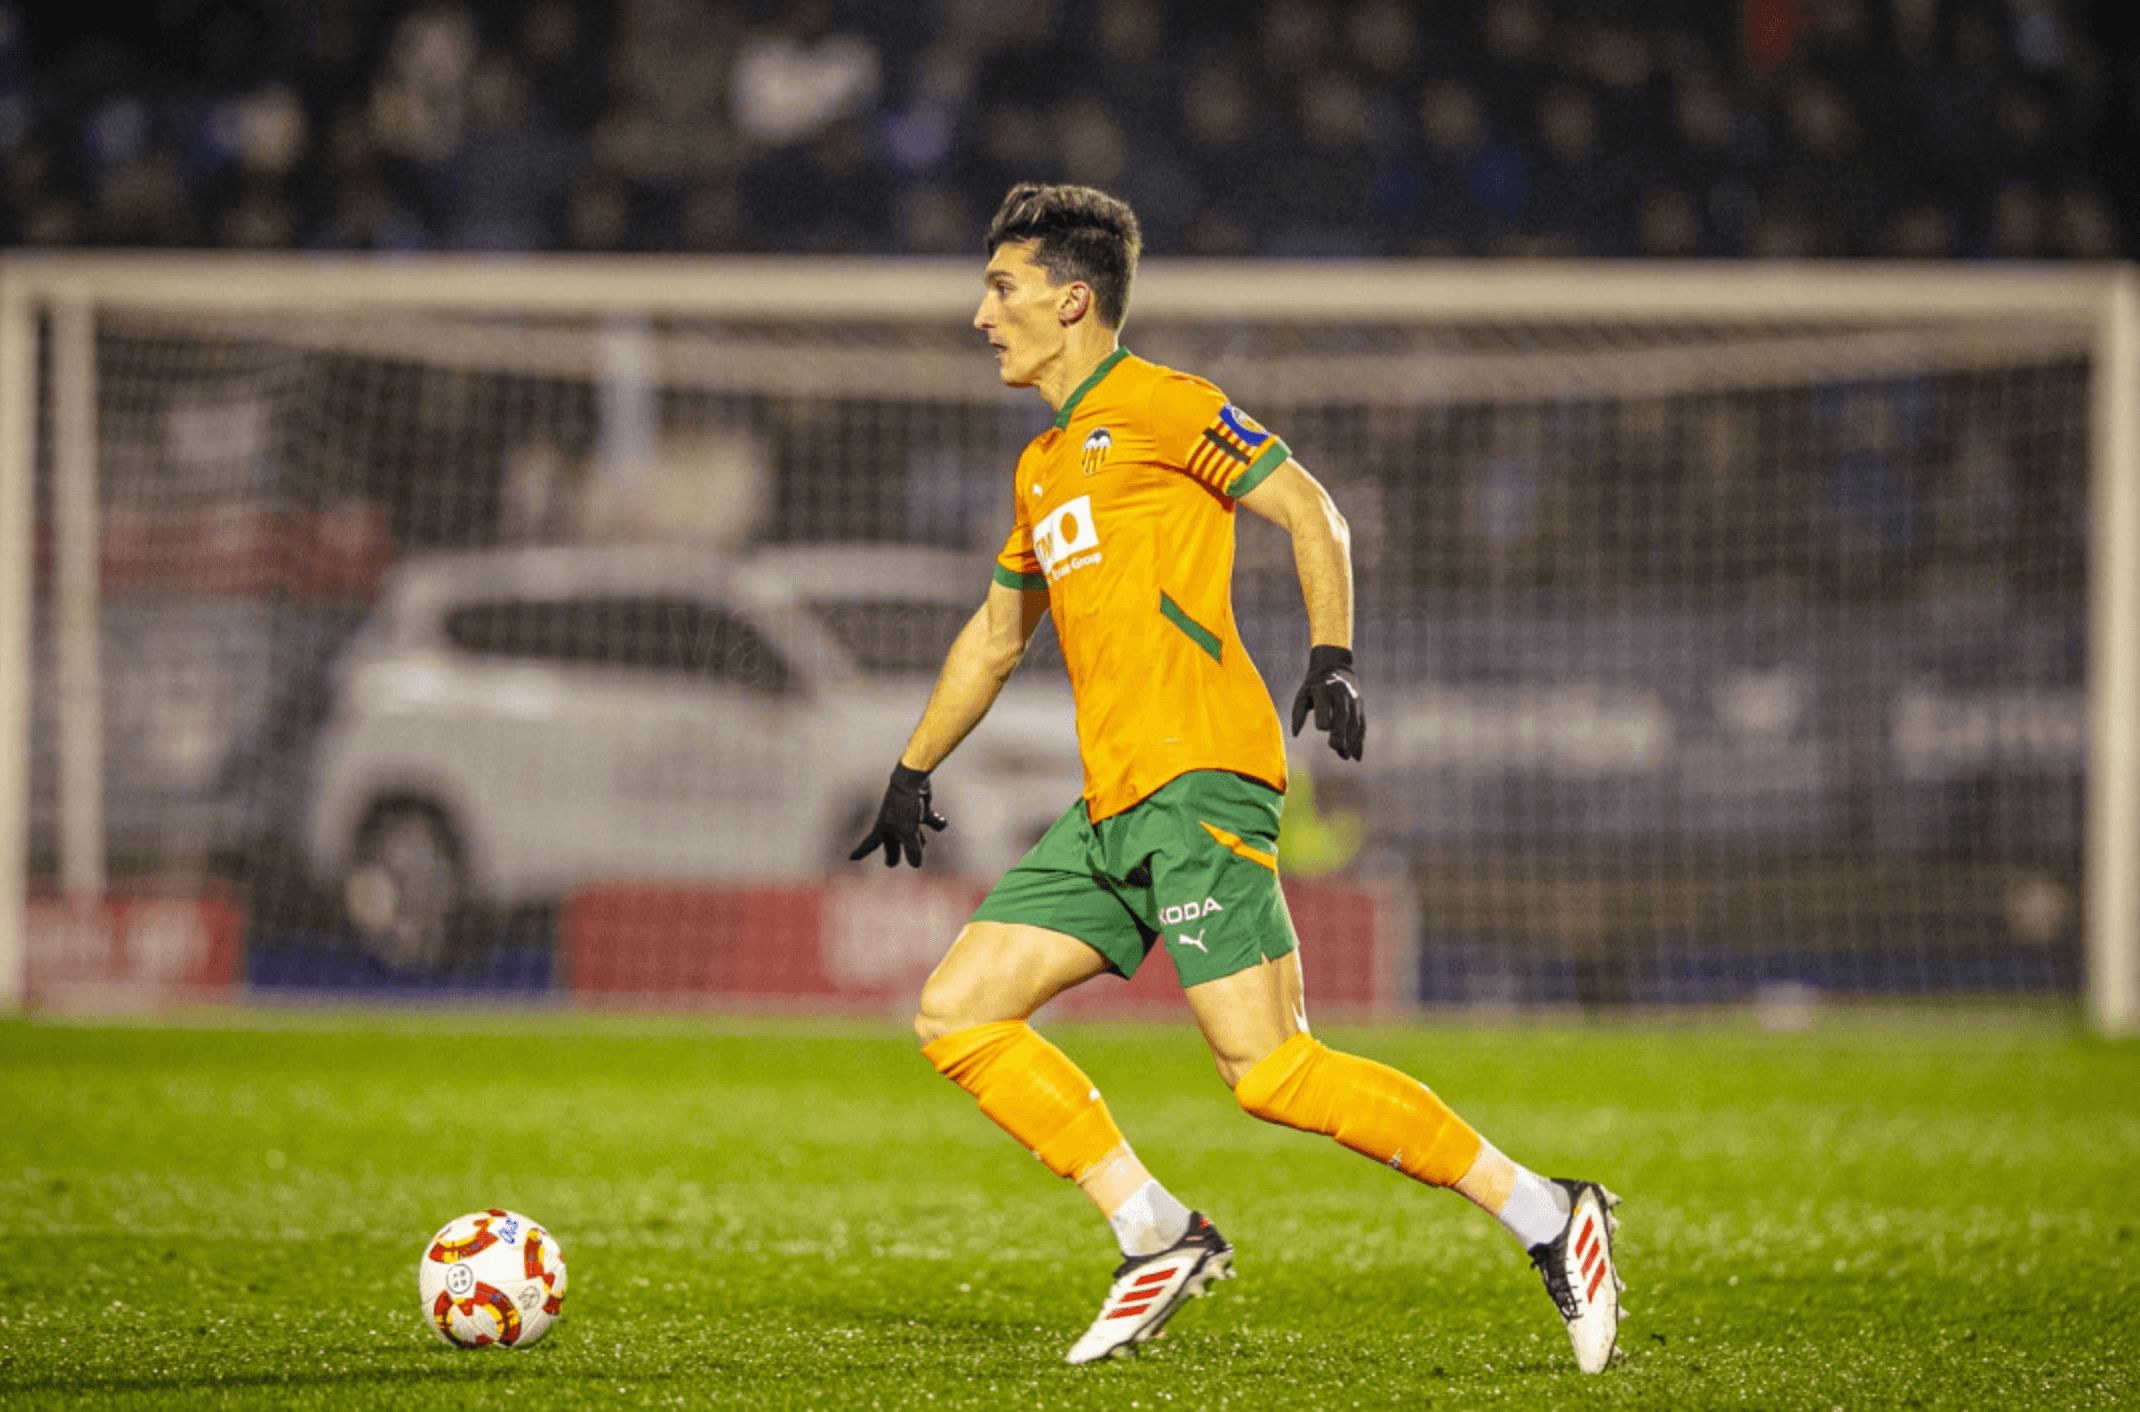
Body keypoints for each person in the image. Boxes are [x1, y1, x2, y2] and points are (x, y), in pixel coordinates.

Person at [850, 182, 1624, 1371]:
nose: (980, 314)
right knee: (956, 1010)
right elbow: (996, 635)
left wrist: (1332, 655)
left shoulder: (1163, 405)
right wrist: (911, 764)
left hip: (1202, 775)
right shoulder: (1042, 465)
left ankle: (1547, 1211)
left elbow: (1310, 508)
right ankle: (1154, 1228)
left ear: (1073, 298)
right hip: (1113, 804)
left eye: (1000, 288)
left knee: (1269, 1068)